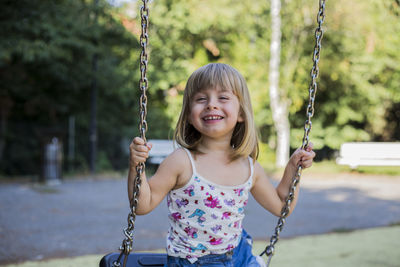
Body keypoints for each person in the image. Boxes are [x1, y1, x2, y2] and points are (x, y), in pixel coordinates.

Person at [128, 63, 316, 267]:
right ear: (189, 115)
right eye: (201, 99)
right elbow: (143, 205)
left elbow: (281, 206)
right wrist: (136, 167)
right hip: (195, 262)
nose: (211, 104)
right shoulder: (181, 161)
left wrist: (292, 168)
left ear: (241, 113)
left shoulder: (250, 168)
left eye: (223, 97)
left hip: (239, 253)